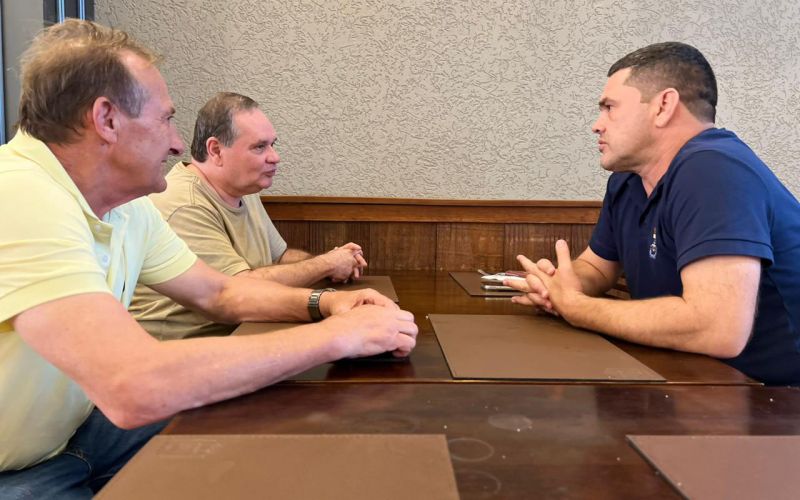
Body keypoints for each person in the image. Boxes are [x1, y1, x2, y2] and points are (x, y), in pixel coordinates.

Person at [0, 19, 417, 497]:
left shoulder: (126, 205)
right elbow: (132, 386)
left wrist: (328, 305)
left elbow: (219, 293)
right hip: (17, 472)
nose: (178, 143)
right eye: (165, 119)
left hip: (79, 434)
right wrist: (338, 337)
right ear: (107, 119)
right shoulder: (20, 195)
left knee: (277, 436)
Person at [508, 41, 800, 386]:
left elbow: (718, 329)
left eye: (609, 108)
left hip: (777, 397)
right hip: (696, 381)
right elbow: (597, 267)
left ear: (664, 106)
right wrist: (563, 284)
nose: (596, 125)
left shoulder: (713, 170)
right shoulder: (627, 181)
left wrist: (577, 307)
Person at [129, 92, 368, 339]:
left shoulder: (244, 188)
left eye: (273, 144)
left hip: (243, 333)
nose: (275, 157)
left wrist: (331, 265)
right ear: (216, 150)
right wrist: (327, 265)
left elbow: (280, 257)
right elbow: (240, 291)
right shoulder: (184, 204)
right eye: (259, 147)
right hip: (186, 349)